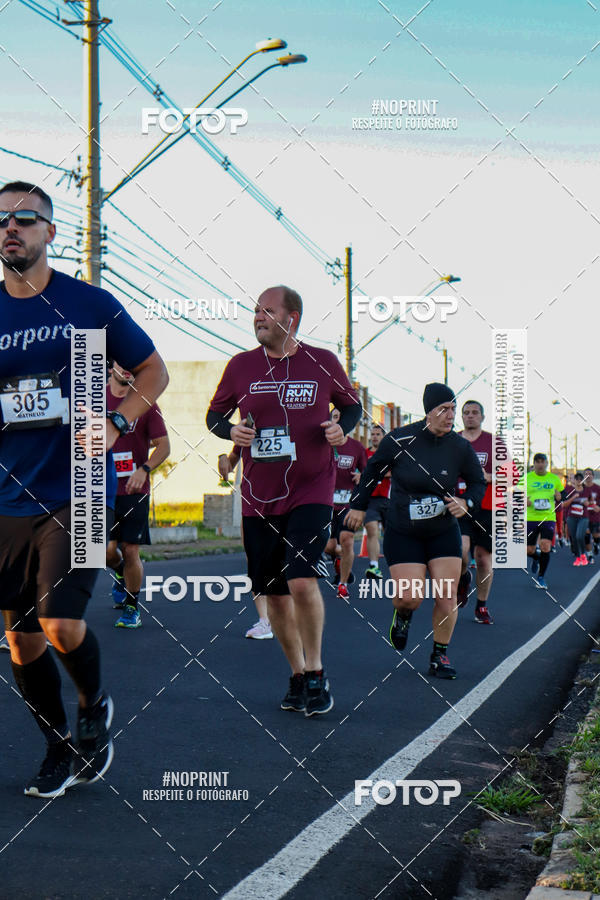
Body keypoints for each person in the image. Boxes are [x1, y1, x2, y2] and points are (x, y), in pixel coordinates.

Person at [0, 181, 168, 798]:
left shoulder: (90, 305)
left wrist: (119, 419)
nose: (10, 228)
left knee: (60, 623)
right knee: (20, 640)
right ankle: (55, 746)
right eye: (1, 220)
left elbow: (155, 369)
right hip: (7, 496)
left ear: (51, 233)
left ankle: (93, 702)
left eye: (24, 218)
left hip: (80, 490)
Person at [206, 285, 361, 715]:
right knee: (272, 592)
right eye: (255, 310)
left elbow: (351, 407)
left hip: (312, 487)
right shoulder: (241, 367)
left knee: (301, 579)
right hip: (259, 495)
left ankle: (316, 672)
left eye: (266, 311)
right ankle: (296, 675)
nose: (257, 317)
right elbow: (215, 416)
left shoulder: (323, 362)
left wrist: (340, 429)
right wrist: (229, 433)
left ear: (291, 318)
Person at [345, 383, 486, 679]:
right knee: (410, 597)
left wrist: (467, 501)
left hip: (442, 529)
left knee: (446, 594)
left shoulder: (460, 447)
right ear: (429, 412)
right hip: (403, 530)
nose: (451, 416)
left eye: (452, 409)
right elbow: (371, 472)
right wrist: (358, 505)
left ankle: (439, 655)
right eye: (443, 410)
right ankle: (404, 614)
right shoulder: (400, 439)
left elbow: (477, 482)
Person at [106, 362, 170, 628]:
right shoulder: (94, 399)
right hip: (101, 490)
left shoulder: (145, 402)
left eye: (133, 364)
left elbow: (164, 446)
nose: (128, 369)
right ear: (112, 366)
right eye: (123, 363)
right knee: (105, 551)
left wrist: (144, 470)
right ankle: (121, 573)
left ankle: (132, 607)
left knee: (130, 550)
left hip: (134, 490)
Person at [217, 446, 273, 639]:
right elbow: (233, 458)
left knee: (282, 561)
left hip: (287, 501)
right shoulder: (248, 426)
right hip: (253, 504)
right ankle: (265, 621)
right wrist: (224, 460)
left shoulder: (291, 420)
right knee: (255, 560)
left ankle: (285, 614)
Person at [455, 400, 496, 625]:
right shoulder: (453, 440)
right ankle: (463, 578)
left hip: (487, 507)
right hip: (460, 504)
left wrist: (489, 477)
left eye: (474, 413)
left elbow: (512, 475)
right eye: (466, 413)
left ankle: (481, 606)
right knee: (461, 551)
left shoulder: (493, 442)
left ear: (482, 417)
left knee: (483, 559)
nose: (470, 416)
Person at [323, 408, 367, 599]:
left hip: (348, 503)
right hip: (323, 503)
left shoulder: (356, 447)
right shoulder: (321, 445)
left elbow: (368, 474)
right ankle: (337, 560)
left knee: (347, 541)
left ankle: (343, 584)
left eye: (341, 418)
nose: (338, 421)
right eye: (334, 417)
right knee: (329, 546)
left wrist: (361, 475)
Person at [526, 454, 563, 586]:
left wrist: (559, 496)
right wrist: (524, 500)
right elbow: (516, 494)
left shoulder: (554, 478)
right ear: (534, 463)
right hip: (530, 518)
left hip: (548, 517)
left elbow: (561, 495)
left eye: (543, 462)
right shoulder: (526, 478)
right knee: (529, 550)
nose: (540, 464)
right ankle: (536, 558)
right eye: (538, 462)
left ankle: (541, 577)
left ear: (547, 463)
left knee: (545, 546)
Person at [363, 423, 391, 579]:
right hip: (370, 500)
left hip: (388, 499)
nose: (374, 437)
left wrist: (371, 473)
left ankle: (397, 564)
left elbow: (392, 472)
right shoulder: (364, 453)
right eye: (372, 434)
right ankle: (374, 567)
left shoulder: (390, 453)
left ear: (383, 436)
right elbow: (360, 472)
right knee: (372, 530)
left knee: (391, 536)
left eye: (377, 434)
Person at [563, 472, 590, 566]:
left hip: (583, 517)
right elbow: (564, 504)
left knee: (579, 536)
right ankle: (578, 558)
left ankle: (583, 555)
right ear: (574, 480)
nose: (578, 481)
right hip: (571, 518)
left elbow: (592, 502)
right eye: (576, 479)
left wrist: (588, 503)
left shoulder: (587, 491)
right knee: (574, 538)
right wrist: (573, 498)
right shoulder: (570, 490)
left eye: (580, 479)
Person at [582, 468, 600, 564]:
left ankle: (597, 544)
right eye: (586, 474)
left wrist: (598, 507)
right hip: (583, 516)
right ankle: (589, 554)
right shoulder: (580, 488)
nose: (588, 476)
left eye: (590, 474)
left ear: (593, 476)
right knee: (586, 535)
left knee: (596, 535)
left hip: (595, 515)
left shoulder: (597, 488)